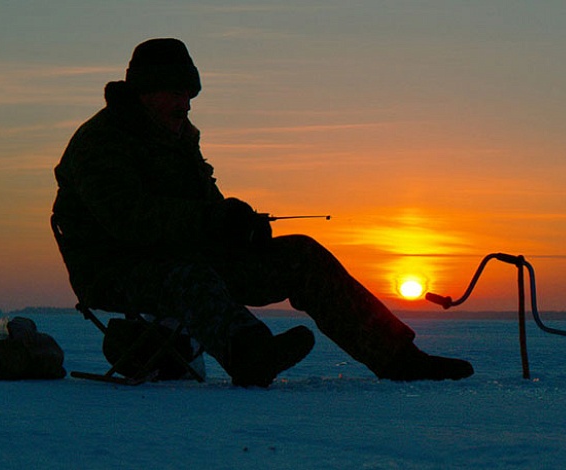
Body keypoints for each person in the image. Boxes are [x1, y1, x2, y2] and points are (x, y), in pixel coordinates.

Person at [51, 38, 473, 387]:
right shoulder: (100, 143)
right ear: (147, 93)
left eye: (190, 96)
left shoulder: (178, 138)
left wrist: (240, 227)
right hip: (116, 271)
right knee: (185, 274)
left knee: (300, 255)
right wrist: (213, 221)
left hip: (188, 257)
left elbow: (206, 210)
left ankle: (399, 358)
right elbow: (128, 219)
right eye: (177, 94)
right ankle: (252, 354)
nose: (186, 106)